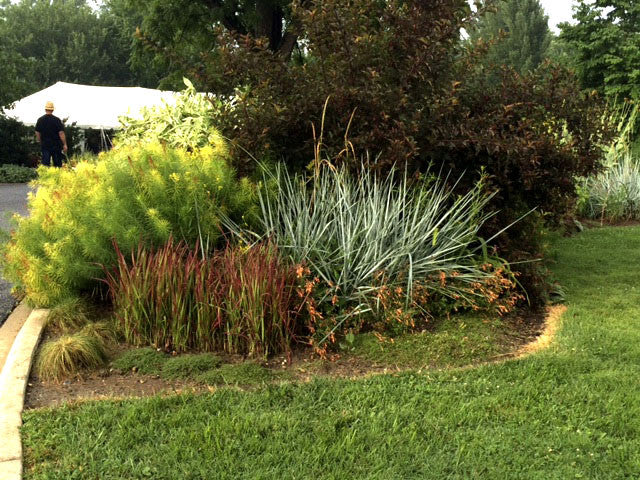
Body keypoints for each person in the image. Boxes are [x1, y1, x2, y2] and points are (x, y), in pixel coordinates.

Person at [35, 101, 67, 167]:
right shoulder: (57, 120)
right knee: (57, 165)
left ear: (45, 109)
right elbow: (61, 133)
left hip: (45, 144)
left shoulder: (40, 120)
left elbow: (37, 132)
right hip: (56, 145)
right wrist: (64, 144)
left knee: (45, 164)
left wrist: (40, 141)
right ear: (52, 110)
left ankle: (45, 176)